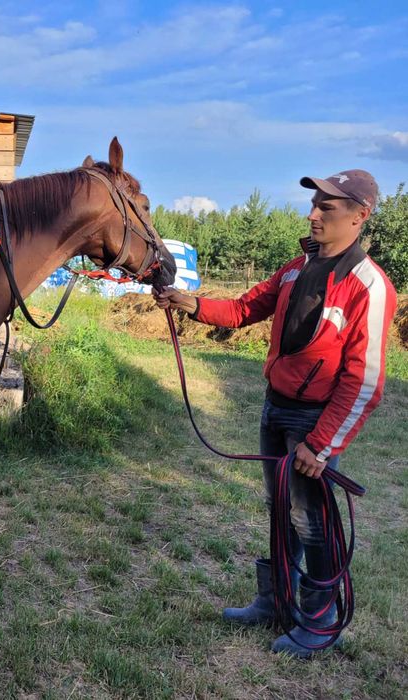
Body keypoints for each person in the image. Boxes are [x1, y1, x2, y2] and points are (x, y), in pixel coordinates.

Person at [154, 169, 396, 658]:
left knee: (313, 522)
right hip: (275, 410)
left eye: (327, 207)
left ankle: (321, 622)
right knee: (280, 513)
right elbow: (245, 308)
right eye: (314, 204)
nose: (313, 214)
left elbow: (364, 380)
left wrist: (322, 445)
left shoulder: (369, 286)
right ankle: (276, 601)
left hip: (312, 423)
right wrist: (191, 303)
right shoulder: (294, 268)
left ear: (360, 216)